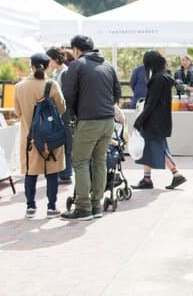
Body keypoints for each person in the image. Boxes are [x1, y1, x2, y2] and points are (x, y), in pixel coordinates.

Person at [61, 34, 121, 221]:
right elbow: (117, 93)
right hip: (108, 120)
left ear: (76, 49)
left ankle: (83, 207)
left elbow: (68, 95)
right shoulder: (108, 65)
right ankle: (96, 205)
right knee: (99, 161)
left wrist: (72, 116)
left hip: (88, 120)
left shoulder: (77, 65)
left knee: (80, 162)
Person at [13, 53, 66, 218]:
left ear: (31, 65)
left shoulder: (20, 87)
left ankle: (30, 206)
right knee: (52, 171)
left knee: (31, 171)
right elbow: (62, 108)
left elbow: (17, 112)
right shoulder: (52, 85)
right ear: (48, 66)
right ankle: (51, 207)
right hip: (51, 136)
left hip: (30, 137)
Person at [132, 50, 188, 190]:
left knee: (159, 149)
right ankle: (147, 178)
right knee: (151, 148)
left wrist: (138, 122)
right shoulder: (164, 76)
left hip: (153, 122)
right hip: (160, 121)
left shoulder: (157, 79)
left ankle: (176, 174)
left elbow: (151, 104)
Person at [46, 47, 73, 184]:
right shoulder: (57, 72)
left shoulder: (65, 72)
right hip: (58, 112)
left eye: (49, 59)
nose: (48, 62)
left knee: (65, 142)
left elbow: (65, 95)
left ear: (55, 59)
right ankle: (63, 172)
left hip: (64, 113)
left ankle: (66, 173)